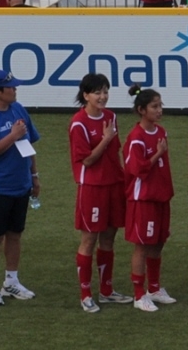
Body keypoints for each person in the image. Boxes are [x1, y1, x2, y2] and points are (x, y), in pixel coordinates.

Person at [0, 69, 41, 307]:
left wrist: (34, 176)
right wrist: (12, 136)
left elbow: (29, 143)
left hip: (20, 185)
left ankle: (11, 281)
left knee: (15, 234)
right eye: (10, 87)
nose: (15, 90)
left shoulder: (18, 109)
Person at [69, 73, 132, 313]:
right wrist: (105, 139)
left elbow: (115, 152)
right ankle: (85, 294)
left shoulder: (111, 116)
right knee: (89, 240)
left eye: (105, 91)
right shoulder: (78, 123)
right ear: (86, 95)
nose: (103, 96)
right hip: (92, 188)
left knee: (109, 237)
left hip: (114, 184)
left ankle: (106, 291)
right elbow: (87, 160)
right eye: (97, 92)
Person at [123, 84, 176, 312]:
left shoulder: (161, 131)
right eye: (154, 106)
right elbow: (137, 169)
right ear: (142, 110)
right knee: (142, 246)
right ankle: (138, 294)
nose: (159, 110)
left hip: (161, 196)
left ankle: (154, 288)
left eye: (160, 105)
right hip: (143, 199)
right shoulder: (136, 138)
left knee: (158, 242)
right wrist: (157, 154)